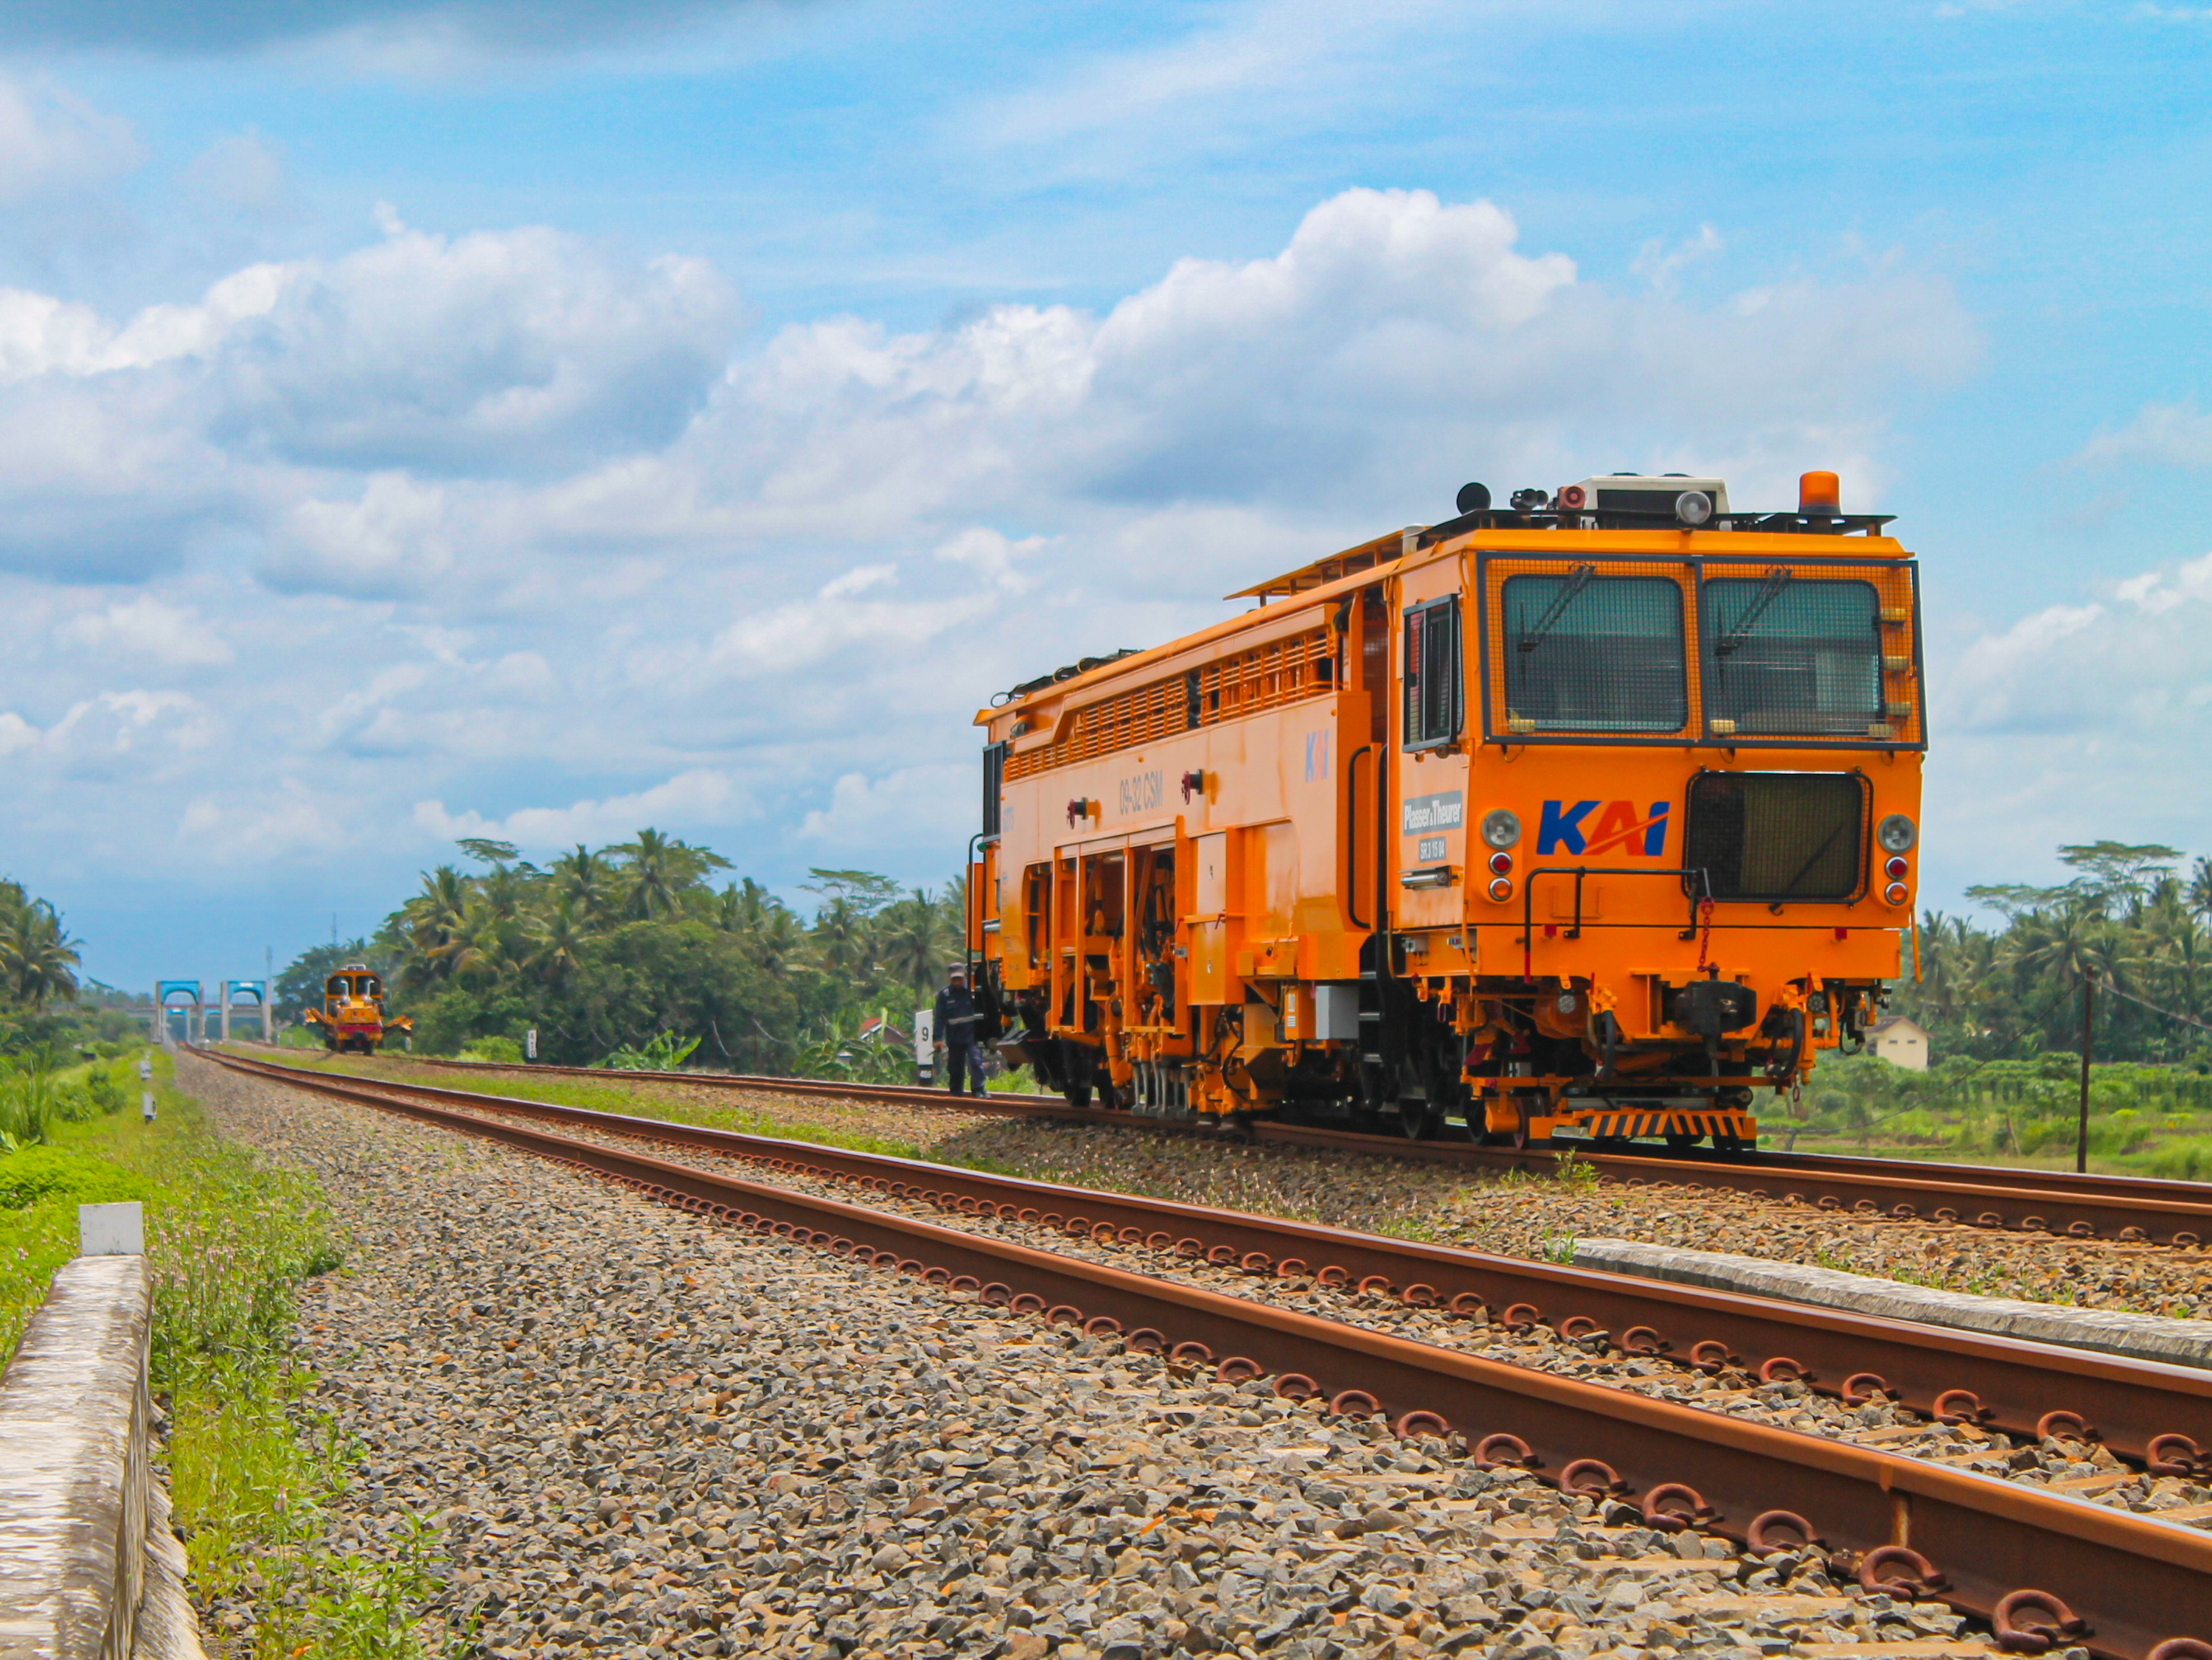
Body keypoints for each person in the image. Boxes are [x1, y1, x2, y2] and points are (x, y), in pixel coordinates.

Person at [934, 964, 985, 1096]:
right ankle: (956, 1093)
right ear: (950, 979)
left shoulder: (974, 992)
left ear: (965, 977)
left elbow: (985, 1012)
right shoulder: (944, 995)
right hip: (954, 1037)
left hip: (973, 1035)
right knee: (955, 1067)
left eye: (960, 979)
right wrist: (937, 1039)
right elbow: (939, 1018)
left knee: (976, 1061)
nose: (957, 982)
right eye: (954, 980)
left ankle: (978, 1090)